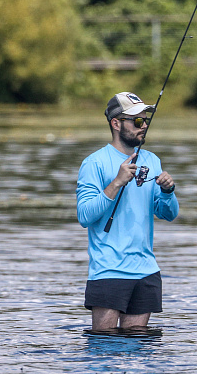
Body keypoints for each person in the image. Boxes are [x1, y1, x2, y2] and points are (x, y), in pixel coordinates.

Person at [76, 92, 179, 331]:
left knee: (139, 353)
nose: (143, 127)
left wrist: (168, 191)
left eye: (146, 121)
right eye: (137, 121)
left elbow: (169, 213)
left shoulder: (152, 160)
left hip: (146, 271)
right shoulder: (94, 163)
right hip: (108, 270)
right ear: (116, 123)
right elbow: (84, 216)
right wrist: (116, 182)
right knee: (104, 349)